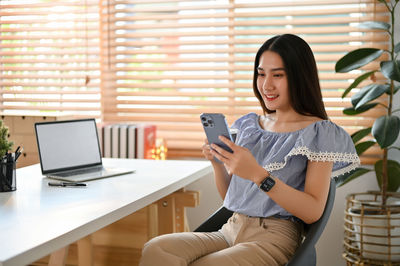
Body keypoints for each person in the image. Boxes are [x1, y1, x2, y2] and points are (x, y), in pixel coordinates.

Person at [139, 34, 360, 266]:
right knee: (156, 249)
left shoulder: (320, 133)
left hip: (274, 238)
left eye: (278, 75)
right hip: (230, 229)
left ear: (299, 77)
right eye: (261, 73)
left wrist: (257, 174)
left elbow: (313, 210)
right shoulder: (250, 126)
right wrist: (218, 163)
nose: (266, 85)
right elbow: (232, 198)